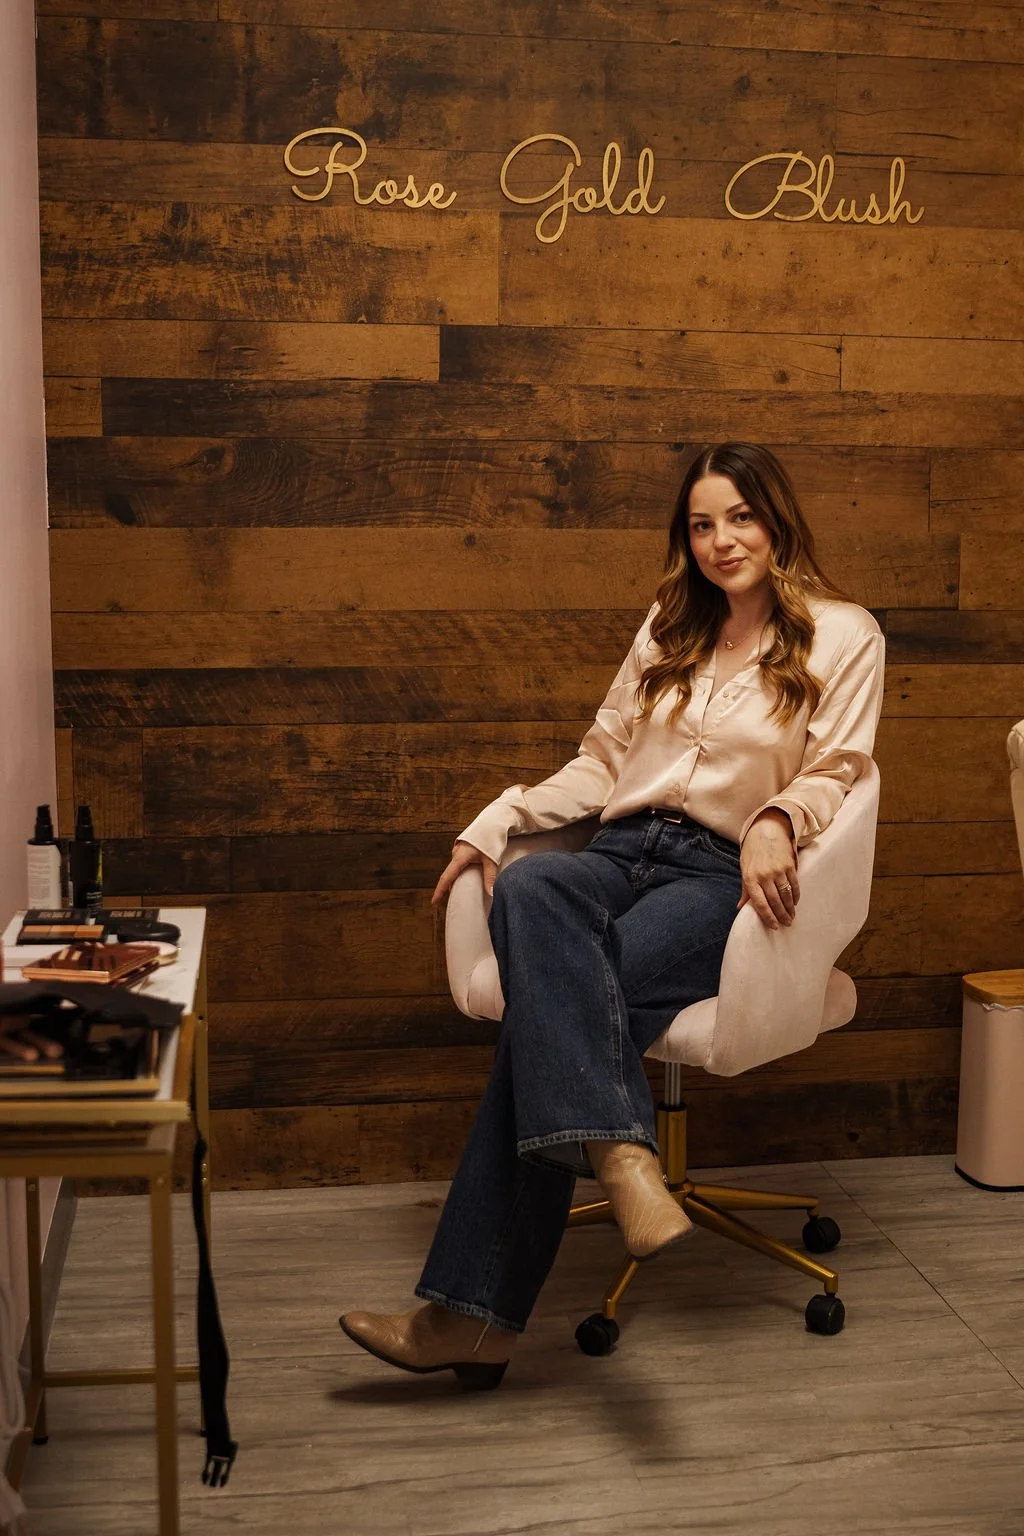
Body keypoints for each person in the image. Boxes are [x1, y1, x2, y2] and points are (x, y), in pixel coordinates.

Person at [339, 440, 885, 1390]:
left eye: (740, 518)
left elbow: (840, 769)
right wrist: (498, 820)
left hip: (721, 881)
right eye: (702, 524)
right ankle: (620, 1150)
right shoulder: (668, 630)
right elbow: (600, 762)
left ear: (778, 519)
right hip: (621, 852)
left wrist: (772, 819)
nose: (722, 542)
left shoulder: (843, 634)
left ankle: (469, 1319)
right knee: (530, 887)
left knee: (554, 1016)